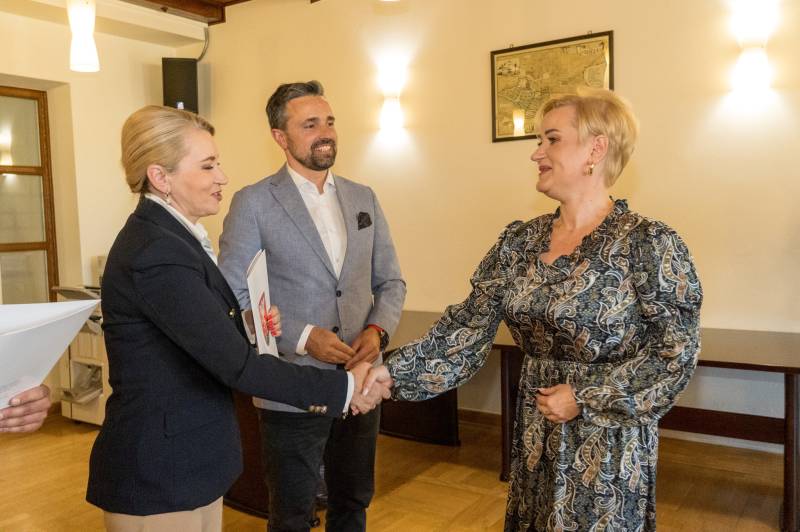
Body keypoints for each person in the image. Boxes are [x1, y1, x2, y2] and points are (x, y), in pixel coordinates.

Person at [367, 89, 702, 531]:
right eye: (539, 140)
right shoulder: (520, 241)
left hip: (606, 442)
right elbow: (467, 328)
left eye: (552, 139)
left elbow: (675, 354)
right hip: (535, 432)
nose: (536, 153)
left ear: (596, 149)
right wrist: (390, 374)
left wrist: (583, 397)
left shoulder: (648, 243)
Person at [86, 105, 388, 531]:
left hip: (189, 460)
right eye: (208, 165)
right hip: (160, 468)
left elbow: (191, 333)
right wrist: (346, 388)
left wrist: (248, 325)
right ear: (160, 177)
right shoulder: (156, 252)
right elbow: (236, 366)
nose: (222, 177)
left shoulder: (174, 238)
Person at [219, 80, 406, 532]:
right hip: (290, 387)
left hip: (361, 382)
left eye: (329, 122)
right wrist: (303, 338)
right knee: (291, 512)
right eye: (309, 125)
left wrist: (377, 331)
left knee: (353, 501)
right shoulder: (253, 202)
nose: (325, 133)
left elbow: (391, 282)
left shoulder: (364, 197)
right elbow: (235, 296)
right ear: (280, 137)